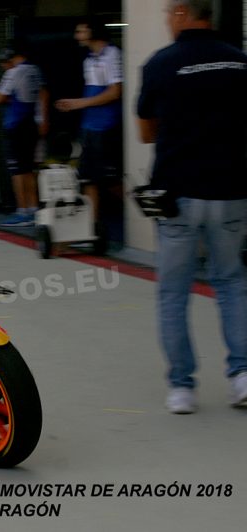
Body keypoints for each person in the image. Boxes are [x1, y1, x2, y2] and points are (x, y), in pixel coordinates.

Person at [137, 0, 247, 414]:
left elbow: (146, 132)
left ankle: (182, 387)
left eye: (169, 14)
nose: (168, 21)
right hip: (232, 192)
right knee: (232, 282)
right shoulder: (240, 62)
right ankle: (242, 376)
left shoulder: (161, 63)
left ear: (183, 14)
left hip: (178, 194)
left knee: (173, 293)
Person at [56, 18, 123, 234]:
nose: (77, 36)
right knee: (88, 178)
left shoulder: (112, 54)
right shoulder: (88, 60)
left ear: (93, 31)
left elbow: (115, 92)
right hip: (89, 126)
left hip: (107, 126)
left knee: (112, 180)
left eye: (80, 31)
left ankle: (137, 221)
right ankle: (91, 227)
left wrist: (78, 103)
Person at [0, 45, 49, 227]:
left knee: (17, 171)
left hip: (15, 126)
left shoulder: (13, 73)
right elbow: (43, 94)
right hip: (32, 124)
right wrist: (42, 119)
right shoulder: (34, 70)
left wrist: (10, 99)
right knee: (29, 170)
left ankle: (22, 210)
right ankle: (33, 209)